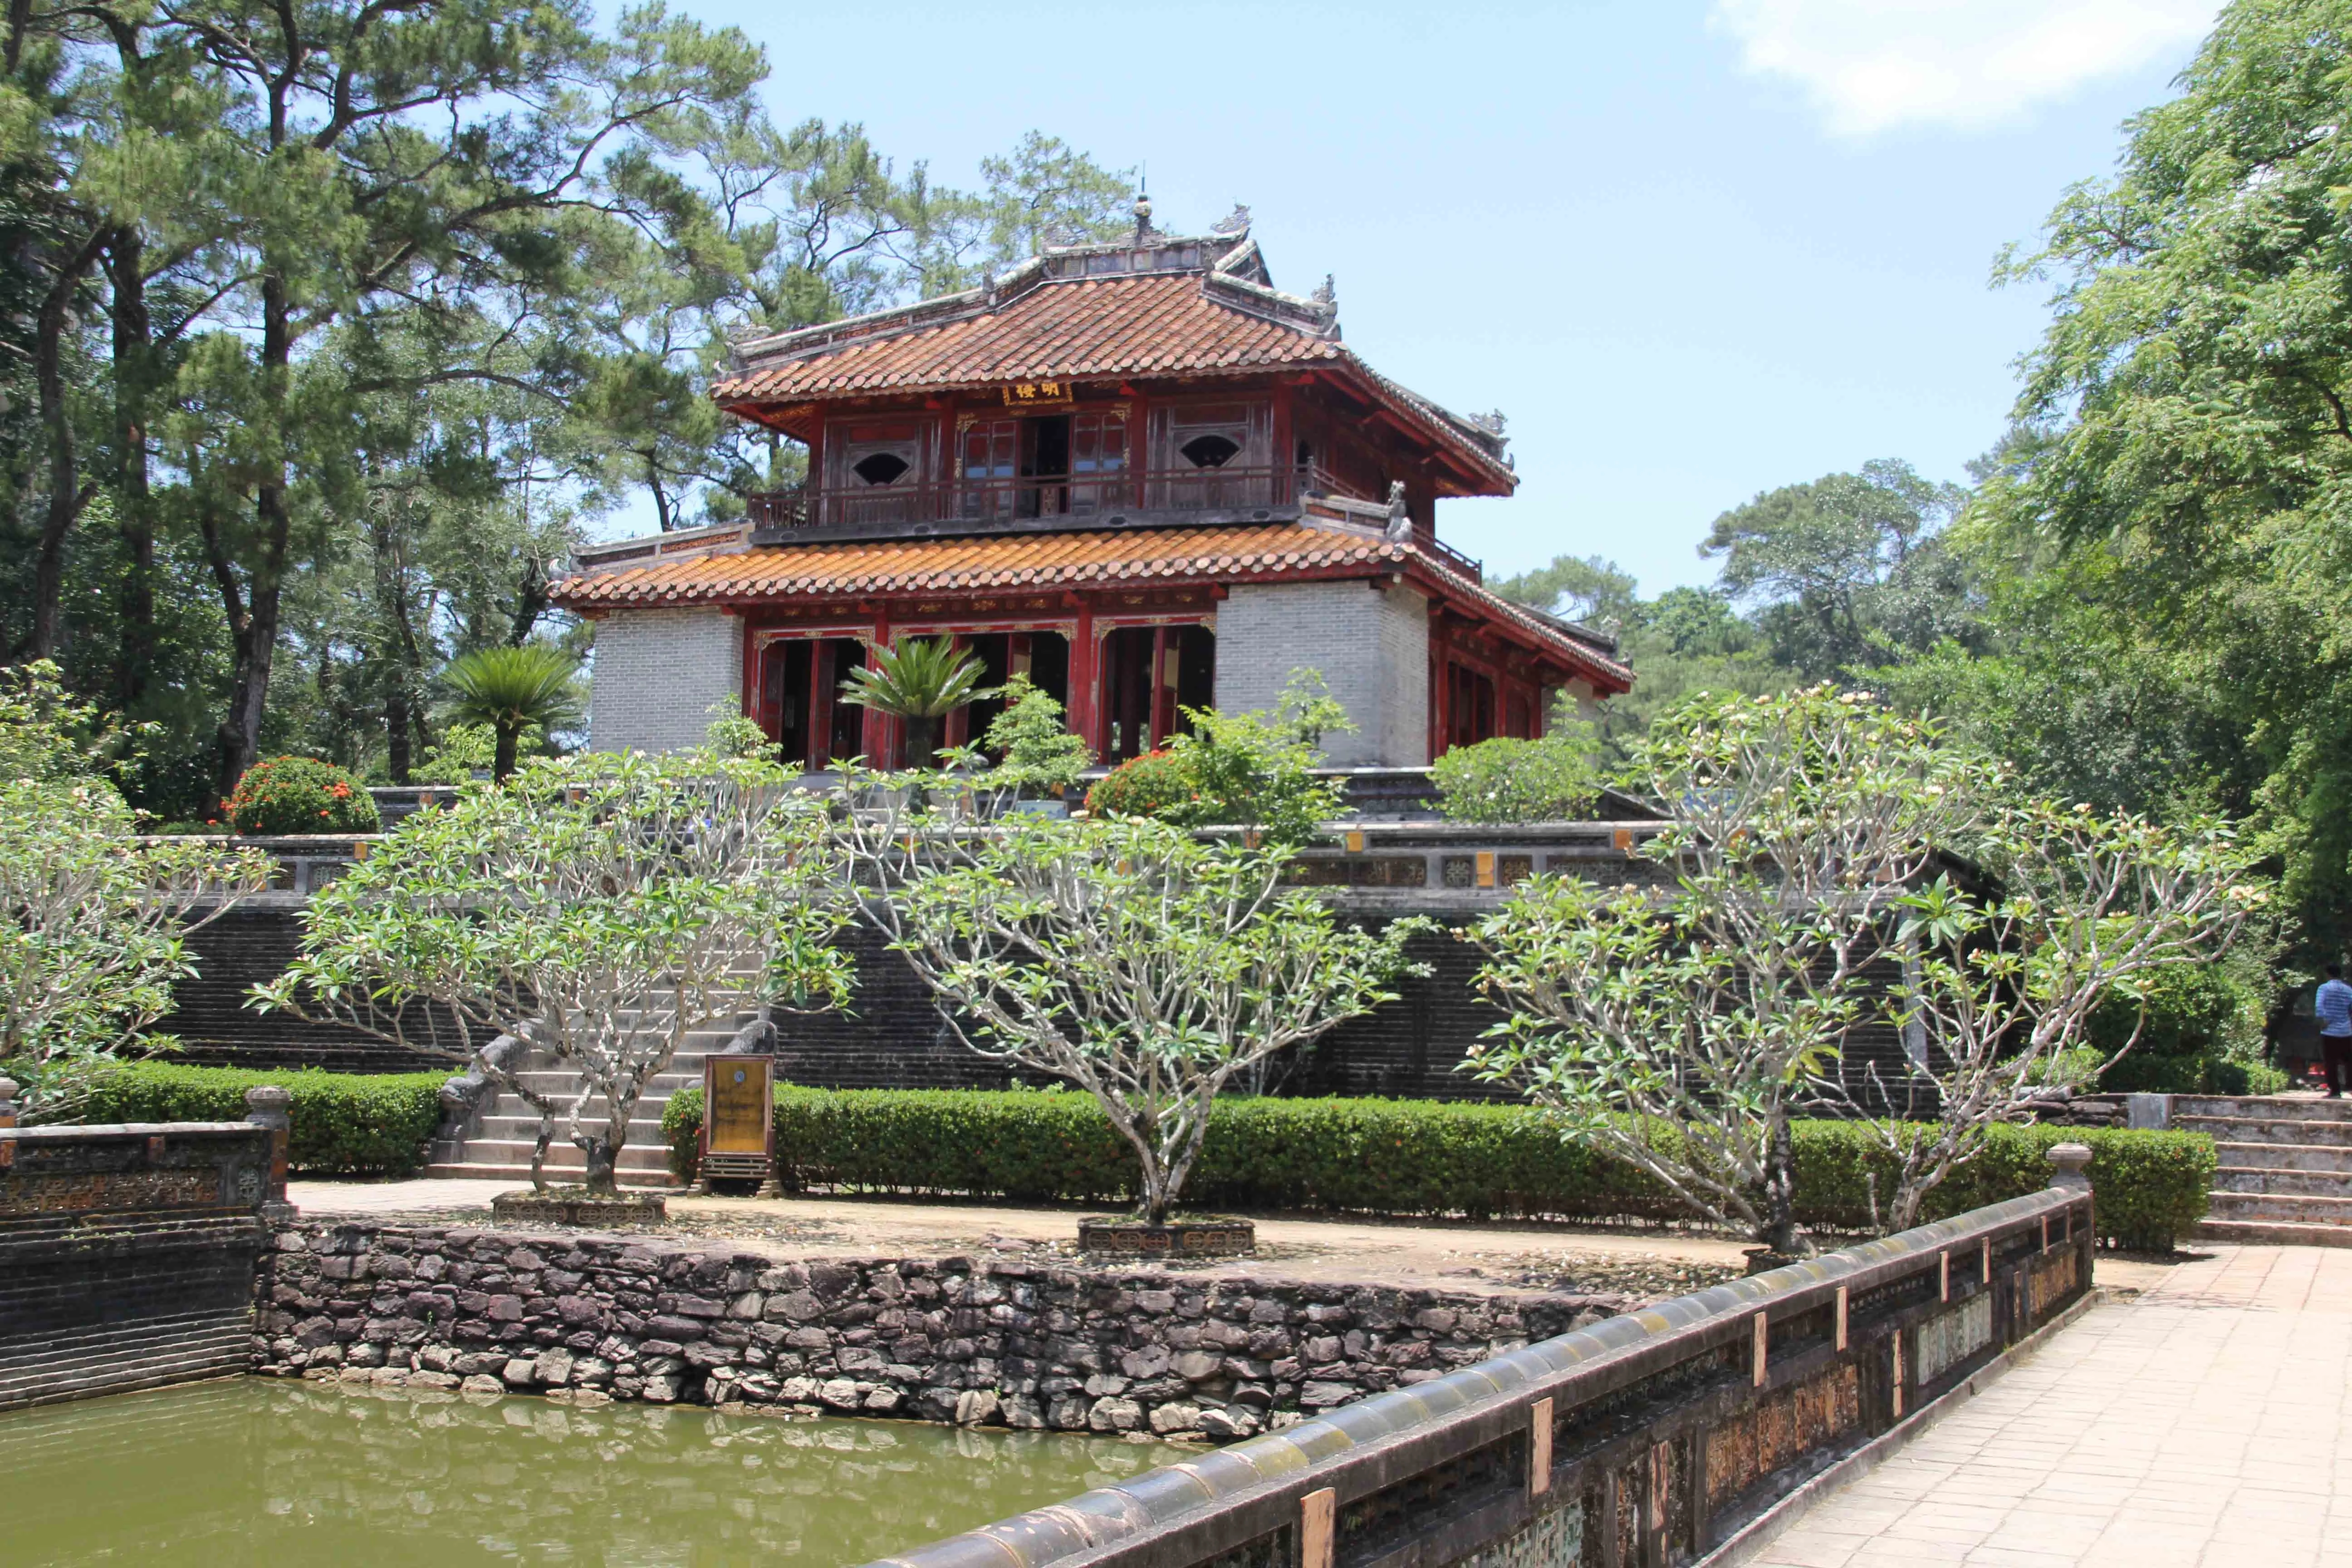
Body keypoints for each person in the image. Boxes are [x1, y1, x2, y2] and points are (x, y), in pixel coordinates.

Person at [2319, 964, 2352, 1097]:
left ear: (2328, 974)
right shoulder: (2348, 990)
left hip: (2330, 1032)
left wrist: (2324, 1021)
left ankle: (2335, 1090)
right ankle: (2350, 1087)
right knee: (2349, 1061)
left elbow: (2319, 1006)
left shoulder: (2324, 988)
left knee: (2331, 1062)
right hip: (2346, 1031)